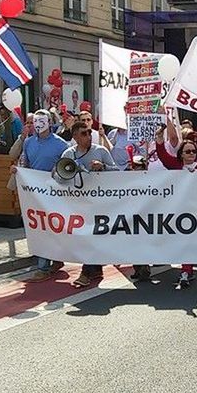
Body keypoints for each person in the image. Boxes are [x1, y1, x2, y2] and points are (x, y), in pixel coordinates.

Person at [14, 109, 70, 282]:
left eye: (41, 121)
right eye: (35, 121)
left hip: (54, 194)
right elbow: (25, 164)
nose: (38, 124)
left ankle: (44, 267)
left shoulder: (61, 145)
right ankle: (51, 261)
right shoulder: (28, 142)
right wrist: (18, 170)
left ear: (50, 122)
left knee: (49, 227)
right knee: (38, 228)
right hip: (33, 193)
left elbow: (65, 167)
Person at [64, 121, 118, 288]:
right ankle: (95, 268)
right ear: (74, 137)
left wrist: (103, 167)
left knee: (92, 235)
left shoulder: (100, 151)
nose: (88, 136)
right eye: (84, 133)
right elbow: (59, 176)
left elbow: (116, 172)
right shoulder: (68, 154)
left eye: (89, 132)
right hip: (79, 202)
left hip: (99, 202)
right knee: (86, 236)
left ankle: (86, 272)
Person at [159, 121, 197, 289]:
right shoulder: (176, 166)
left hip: (196, 210)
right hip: (178, 210)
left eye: (194, 151)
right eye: (188, 151)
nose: (192, 154)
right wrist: (159, 140)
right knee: (184, 240)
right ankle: (187, 269)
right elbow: (164, 157)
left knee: (190, 240)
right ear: (181, 154)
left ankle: (188, 270)